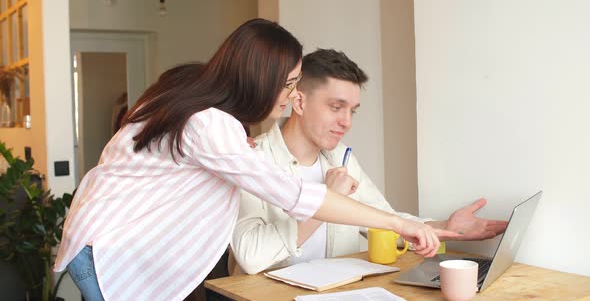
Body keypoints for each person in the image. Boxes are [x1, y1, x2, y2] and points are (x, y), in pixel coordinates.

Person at [54, 19, 458, 301]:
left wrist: (427, 227)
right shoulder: (211, 125)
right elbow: (296, 196)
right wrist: (399, 223)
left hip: (99, 237)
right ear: (257, 79)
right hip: (112, 254)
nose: (289, 96)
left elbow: (120, 159)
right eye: (286, 84)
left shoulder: (191, 89)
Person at [230, 49, 508, 275]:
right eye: (336, 107)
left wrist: (445, 227)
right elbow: (251, 258)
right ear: (299, 103)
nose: (346, 122)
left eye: (352, 111)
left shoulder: (341, 157)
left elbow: (385, 222)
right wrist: (326, 200)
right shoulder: (251, 159)